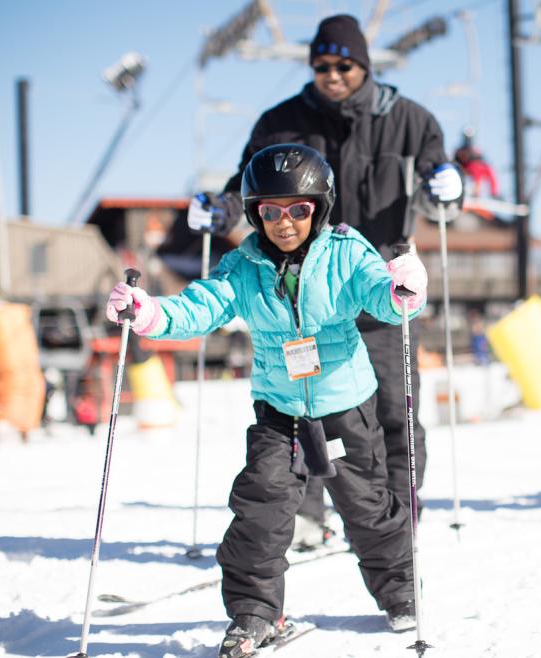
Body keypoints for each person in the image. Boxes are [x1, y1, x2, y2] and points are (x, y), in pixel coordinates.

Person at [108, 144, 430, 655]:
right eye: (270, 211)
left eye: (298, 210)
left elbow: (382, 298)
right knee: (260, 506)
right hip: (280, 411)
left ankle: (400, 592)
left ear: (318, 208)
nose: (285, 222)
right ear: (255, 214)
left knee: (366, 507)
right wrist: (148, 314)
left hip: (345, 406)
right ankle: (255, 612)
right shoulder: (244, 266)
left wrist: (402, 291)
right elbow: (201, 306)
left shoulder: (347, 252)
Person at [187, 14, 463, 549]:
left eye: (343, 65)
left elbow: (438, 193)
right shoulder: (280, 122)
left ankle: (400, 511)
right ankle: (306, 514)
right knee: (299, 407)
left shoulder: (409, 120)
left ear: (363, 64)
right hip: (302, 297)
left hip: (375, 288)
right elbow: (243, 188)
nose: (331, 75)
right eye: (320, 66)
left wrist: (448, 188)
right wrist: (217, 211)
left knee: (392, 409)